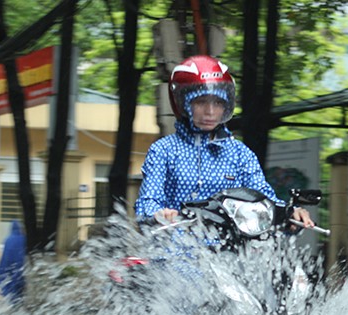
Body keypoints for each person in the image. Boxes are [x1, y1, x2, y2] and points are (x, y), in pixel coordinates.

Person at [134, 55, 313, 229]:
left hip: (229, 250)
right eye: (201, 102)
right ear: (183, 103)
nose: (210, 111)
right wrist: (158, 214)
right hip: (174, 249)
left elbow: (263, 198)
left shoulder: (240, 154)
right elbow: (148, 200)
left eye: (218, 103)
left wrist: (290, 214)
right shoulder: (163, 150)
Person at [0, 220, 27, 303]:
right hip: (19, 268)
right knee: (20, 293)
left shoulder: (7, 240)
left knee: (10, 294)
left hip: (8, 267)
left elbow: (4, 257)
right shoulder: (23, 239)